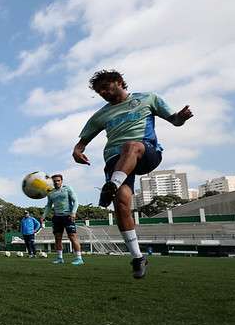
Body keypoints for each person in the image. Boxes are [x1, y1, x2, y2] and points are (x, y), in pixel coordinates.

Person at [73, 70, 193, 279]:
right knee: (121, 202)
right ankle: (138, 258)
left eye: (106, 87)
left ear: (119, 82)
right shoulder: (101, 115)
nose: (102, 92)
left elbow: (174, 120)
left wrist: (181, 119)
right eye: (99, 91)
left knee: (131, 145)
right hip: (114, 159)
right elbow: (81, 142)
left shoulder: (147, 99)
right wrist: (77, 151)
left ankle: (112, 185)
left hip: (146, 151)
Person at [42, 174, 82, 265]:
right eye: (54, 181)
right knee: (57, 238)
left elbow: (75, 201)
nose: (56, 182)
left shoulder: (67, 189)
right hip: (57, 217)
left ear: (61, 181)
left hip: (68, 216)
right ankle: (60, 258)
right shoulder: (50, 192)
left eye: (58, 180)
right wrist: (43, 216)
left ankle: (79, 258)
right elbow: (49, 205)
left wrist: (73, 213)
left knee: (72, 236)